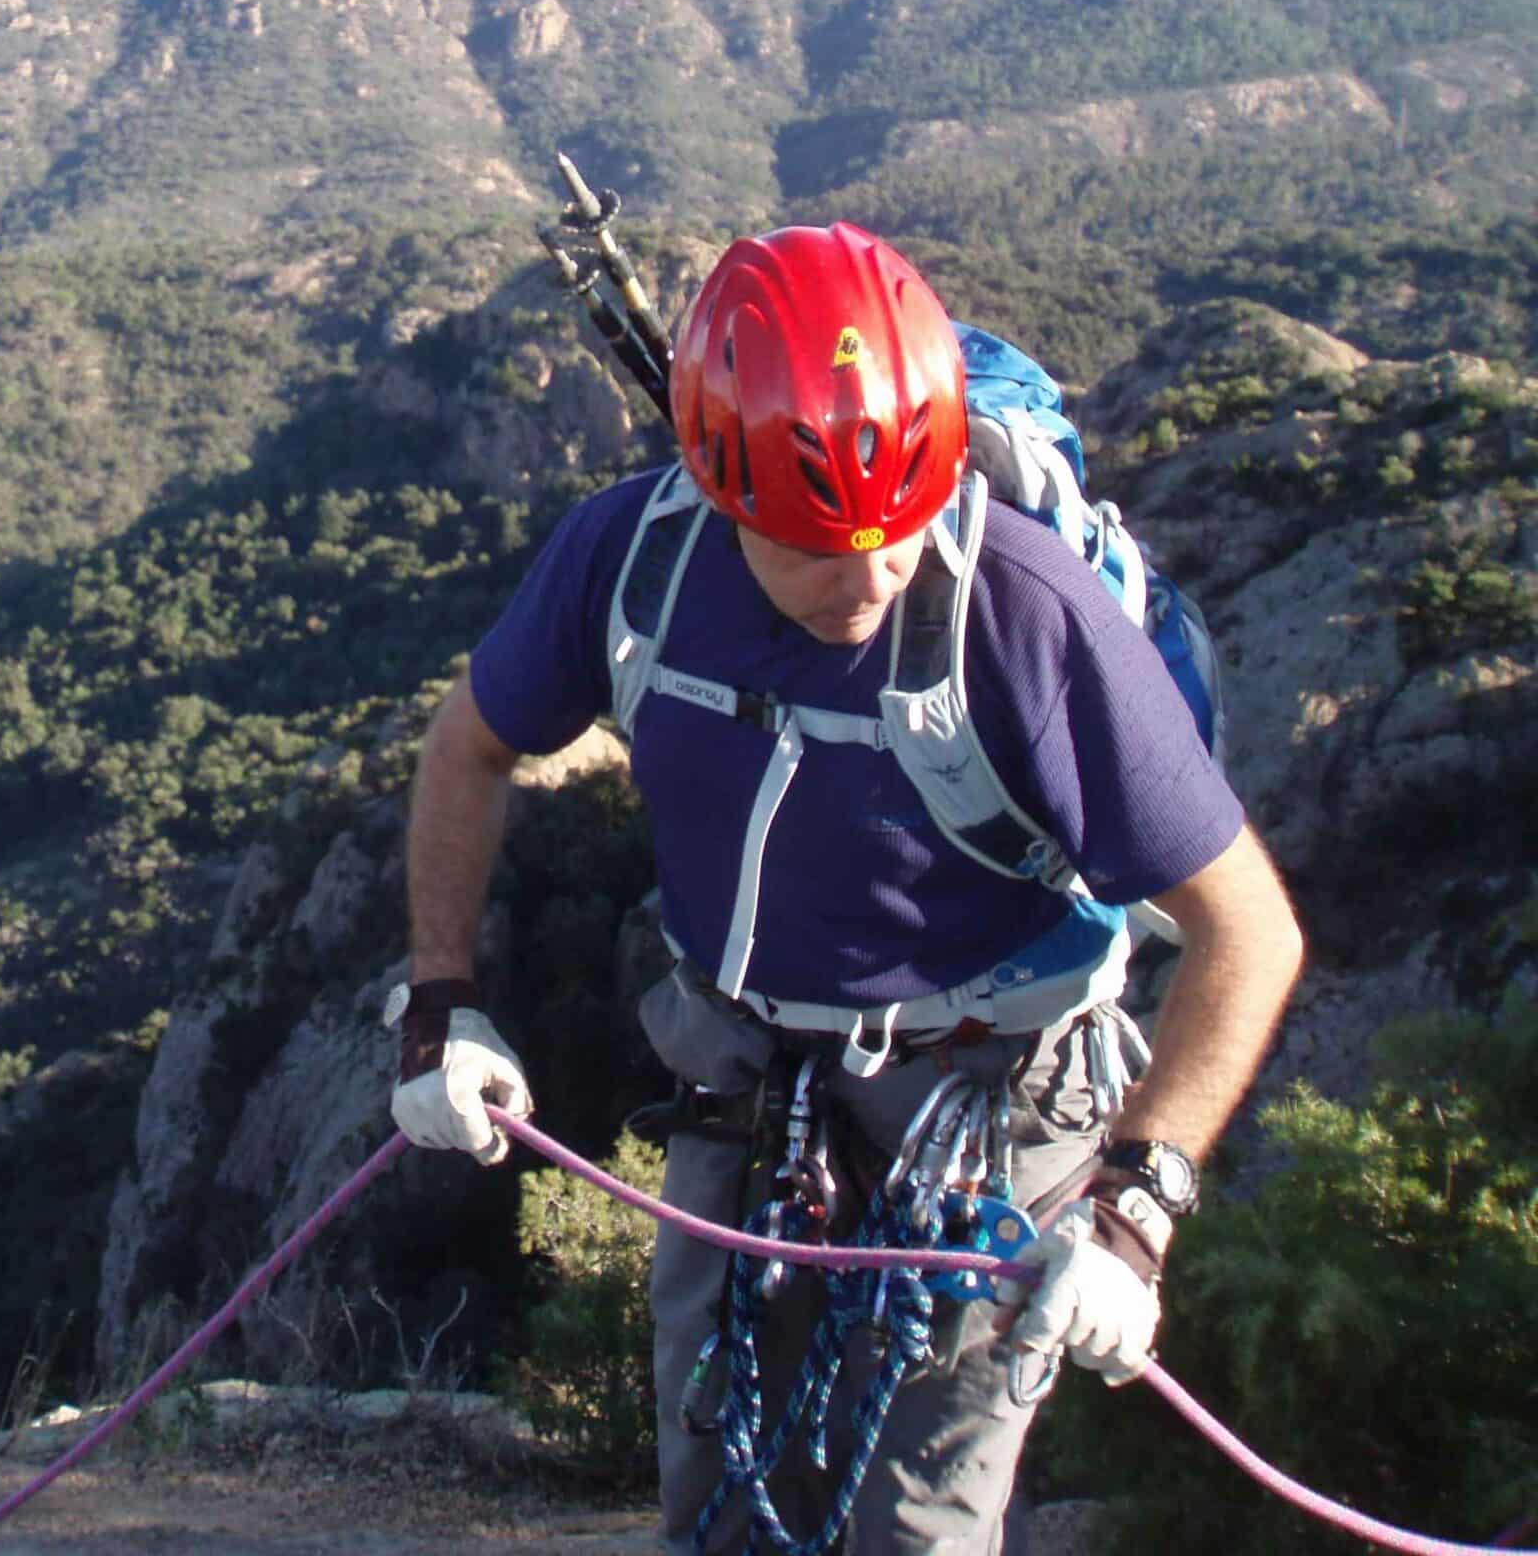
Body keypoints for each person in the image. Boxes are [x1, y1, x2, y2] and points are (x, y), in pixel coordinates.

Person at [390, 222, 1304, 1554]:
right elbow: (469, 745)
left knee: (915, 1528)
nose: (868, 579)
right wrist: (440, 1001)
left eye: (900, 526)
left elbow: (1250, 933)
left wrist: (1136, 1211)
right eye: (813, 544)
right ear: (718, 490)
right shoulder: (630, 562)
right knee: (716, 1493)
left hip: (992, 1103)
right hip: (749, 1078)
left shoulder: (1028, 615)